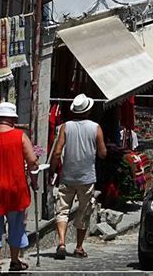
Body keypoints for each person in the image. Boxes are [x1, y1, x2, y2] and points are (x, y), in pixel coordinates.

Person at [50, 93, 107, 259]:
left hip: (67, 176)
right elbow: (103, 153)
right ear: (88, 110)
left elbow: (57, 151)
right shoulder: (95, 128)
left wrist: (53, 170)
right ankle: (79, 247)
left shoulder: (66, 127)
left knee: (62, 210)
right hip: (87, 177)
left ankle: (61, 243)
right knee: (84, 212)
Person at [0, 101, 39, 272]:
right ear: (13, 119)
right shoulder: (20, 136)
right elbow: (32, 162)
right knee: (16, 225)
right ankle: (15, 261)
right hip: (15, 189)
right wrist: (35, 181)